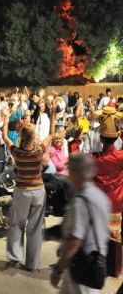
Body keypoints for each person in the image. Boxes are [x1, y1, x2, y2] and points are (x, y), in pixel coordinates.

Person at [2, 107, 55, 271]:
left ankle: (15, 258)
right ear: (33, 136)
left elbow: (4, 136)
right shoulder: (39, 151)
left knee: (17, 224)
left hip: (22, 191)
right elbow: (52, 134)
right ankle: (32, 264)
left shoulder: (16, 152)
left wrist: (5, 118)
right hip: (38, 190)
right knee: (35, 226)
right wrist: (52, 115)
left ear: (21, 136)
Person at [50, 153, 110, 293]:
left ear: (76, 173)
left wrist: (58, 270)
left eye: (70, 170)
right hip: (96, 262)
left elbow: (74, 242)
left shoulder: (80, 202)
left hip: (81, 268)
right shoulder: (101, 197)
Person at [92, 106, 123, 277]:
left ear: (101, 138)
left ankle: (99, 268)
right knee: (115, 238)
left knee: (99, 237)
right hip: (117, 203)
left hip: (99, 205)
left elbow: (74, 155)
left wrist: (75, 139)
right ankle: (115, 269)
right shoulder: (120, 157)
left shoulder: (93, 158)